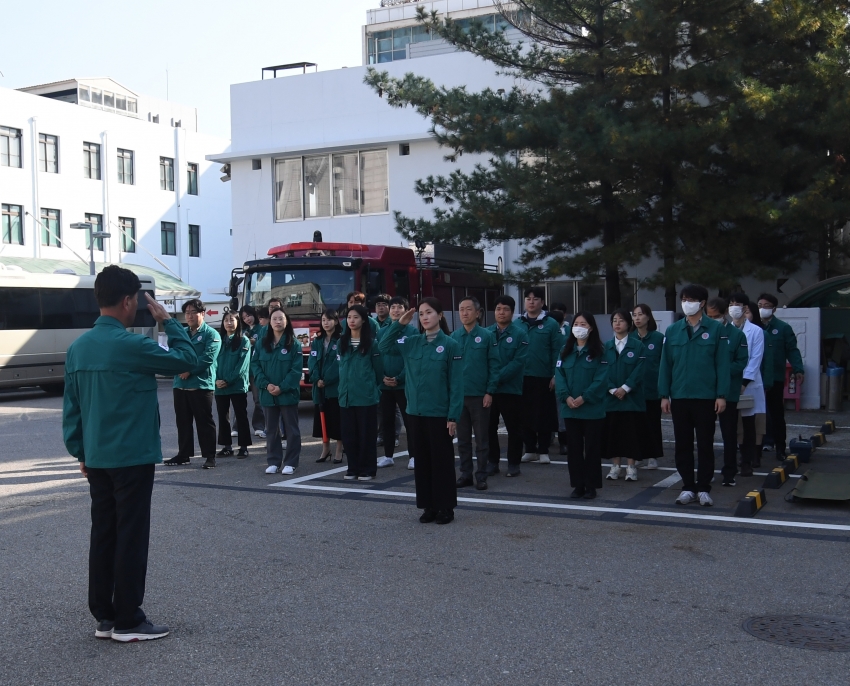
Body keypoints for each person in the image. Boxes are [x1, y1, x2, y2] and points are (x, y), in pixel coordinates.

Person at [63, 265, 198, 642]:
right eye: (136, 299)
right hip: (132, 456)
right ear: (127, 301)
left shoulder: (78, 348)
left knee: (103, 533)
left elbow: (71, 410)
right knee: (131, 535)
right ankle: (128, 619)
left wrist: (81, 452)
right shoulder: (133, 346)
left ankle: (104, 615)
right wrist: (170, 322)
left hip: (97, 457)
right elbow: (188, 362)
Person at [381, 297, 463, 525]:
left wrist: (453, 416)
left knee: (442, 462)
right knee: (423, 462)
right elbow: (384, 346)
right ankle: (428, 506)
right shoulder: (413, 342)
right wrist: (400, 323)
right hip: (415, 412)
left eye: (430, 312)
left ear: (440, 315)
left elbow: (456, 384)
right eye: (422, 314)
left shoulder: (450, 345)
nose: (425, 317)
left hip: (439, 413)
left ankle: (445, 507)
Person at [658, 285, 730, 507]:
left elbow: (722, 364)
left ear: (701, 303)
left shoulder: (715, 330)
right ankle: (688, 486)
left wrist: (721, 395)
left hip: (706, 396)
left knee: (706, 444)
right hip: (680, 396)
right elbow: (666, 365)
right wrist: (664, 394)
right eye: (683, 299)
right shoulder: (673, 331)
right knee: (683, 444)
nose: (686, 302)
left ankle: (704, 487)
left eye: (690, 299)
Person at [556, 312, 608, 499]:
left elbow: (601, 379)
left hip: (592, 409)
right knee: (574, 449)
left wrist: (585, 397)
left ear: (591, 328)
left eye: (583, 324)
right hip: (570, 409)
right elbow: (559, 375)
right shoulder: (565, 349)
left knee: (592, 449)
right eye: (576, 323)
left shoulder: (600, 351)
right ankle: (578, 485)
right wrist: (566, 397)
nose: (579, 327)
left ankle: (591, 485)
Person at [165, 299, 221, 469]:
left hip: (200, 384)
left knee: (204, 422)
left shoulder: (211, 334)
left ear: (202, 313)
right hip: (180, 385)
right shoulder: (182, 333)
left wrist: (189, 370)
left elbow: (208, 357)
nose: (189, 316)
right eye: (186, 312)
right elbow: (173, 351)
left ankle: (210, 456)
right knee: (182, 421)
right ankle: (184, 454)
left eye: (192, 312)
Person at [451, 296, 500, 490]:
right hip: (459, 397)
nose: (464, 313)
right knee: (462, 439)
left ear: (477, 313)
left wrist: (490, 391)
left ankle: (481, 475)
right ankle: (465, 474)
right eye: (461, 309)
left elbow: (494, 365)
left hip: (480, 396)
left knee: (481, 439)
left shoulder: (487, 336)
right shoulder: (454, 337)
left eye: (468, 309)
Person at [251, 308, 302, 475]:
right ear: (270, 322)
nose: (278, 322)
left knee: (291, 430)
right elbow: (255, 366)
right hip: (268, 394)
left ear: (286, 321)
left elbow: (296, 371)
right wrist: (266, 385)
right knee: (271, 430)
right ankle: (273, 461)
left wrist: (282, 387)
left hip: (287, 394)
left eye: (281, 318)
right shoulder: (261, 343)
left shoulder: (294, 344)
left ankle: (291, 462)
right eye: (275, 319)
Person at [705, 298, 750, 486]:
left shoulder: (736, 335)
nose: (712, 319)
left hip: (728, 391)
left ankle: (729, 472)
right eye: (709, 316)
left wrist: (721, 369)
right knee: (705, 434)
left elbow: (741, 362)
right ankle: (706, 471)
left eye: (716, 316)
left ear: (724, 314)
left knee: (729, 433)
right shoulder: (703, 332)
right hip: (705, 391)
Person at [337, 304, 382, 481]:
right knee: (349, 435)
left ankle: (367, 469)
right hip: (346, 397)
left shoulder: (372, 344)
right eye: (349, 317)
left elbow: (378, 372)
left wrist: (372, 389)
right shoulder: (341, 343)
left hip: (366, 397)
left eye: (356, 317)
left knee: (366, 435)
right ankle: (352, 468)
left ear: (364, 320)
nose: (352, 321)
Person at [486, 295, 529, 478]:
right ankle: (492, 462)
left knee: (514, 428)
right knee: (489, 427)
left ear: (512, 312)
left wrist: (495, 378)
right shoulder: (486, 333)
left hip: (510, 389)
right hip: (489, 391)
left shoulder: (520, 334)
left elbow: (517, 363)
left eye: (505, 309)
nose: (501, 312)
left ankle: (513, 463)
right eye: (498, 309)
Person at [757, 293, 804, 459]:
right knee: (755, 414)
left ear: (774, 309)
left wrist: (798, 369)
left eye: (767, 305)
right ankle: (756, 448)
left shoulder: (783, 328)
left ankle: (780, 447)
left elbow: (792, 349)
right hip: (755, 378)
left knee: (776, 413)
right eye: (760, 304)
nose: (762, 308)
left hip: (775, 377)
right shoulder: (754, 327)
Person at [518, 287, 562, 464]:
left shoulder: (551, 324)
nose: (531, 301)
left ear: (542, 302)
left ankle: (543, 450)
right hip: (522, 377)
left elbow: (558, 351)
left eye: (535, 299)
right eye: (528, 298)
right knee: (524, 415)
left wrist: (555, 375)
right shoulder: (518, 324)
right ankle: (530, 449)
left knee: (544, 415)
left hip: (544, 376)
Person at [603, 309, 647, 483]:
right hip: (611, 399)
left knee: (631, 434)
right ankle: (615, 466)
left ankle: (631, 466)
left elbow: (640, 369)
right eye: (614, 320)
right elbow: (601, 370)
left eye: (621, 320)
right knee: (613, 432)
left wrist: (625, 388)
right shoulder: (605, 346)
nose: (617, 323)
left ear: (628, 324)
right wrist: (612, 389)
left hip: (631, 399)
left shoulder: (638, 346)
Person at [377, 296, 417, 469]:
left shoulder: (412, 332)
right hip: (385, 384)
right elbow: (378, 357)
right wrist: (383, 377)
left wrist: (399, 377)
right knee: (386, 421)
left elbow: (411, 359)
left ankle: (413, 456)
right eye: (392, 307)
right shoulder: (381, 331)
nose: (395, 310)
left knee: (409, 421)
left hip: (403, 384)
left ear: (406, 311)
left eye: (399, 307)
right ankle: (388, 456)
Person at [728, 293, 765, 480]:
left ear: (745, 308)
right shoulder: (723, 330)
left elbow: (755, 359)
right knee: (730, 423)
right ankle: (731, 460)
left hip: (748, 384)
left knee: (748, 424)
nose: (734, 307)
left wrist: (743, 383)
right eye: (731, 303)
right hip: (727, 382)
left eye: (738, 304)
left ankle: (747, 461)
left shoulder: (756, 331)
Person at [214, 311, 253, 459]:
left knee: (241, 415)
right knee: (223, 416)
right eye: (226, 320)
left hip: (236, 385)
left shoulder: (243, 341)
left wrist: (228, 380)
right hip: (219, 386)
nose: (229, 323)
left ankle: (243, 447)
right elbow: (213, 362)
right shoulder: (218, 340)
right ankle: (226, 446)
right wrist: (217, 380)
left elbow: (242, 365)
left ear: (238, 322)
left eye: (232, 320)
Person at [631, 304, 665, 470]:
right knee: (636, 425)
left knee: (653, 423)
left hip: (653, 389)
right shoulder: (630, 338)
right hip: (634, 390)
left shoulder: (658, 338)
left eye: (640, 315)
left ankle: (653, 456)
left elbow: (664, 363)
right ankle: (638, 456)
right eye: (634, 315)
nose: (637, 318)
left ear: (648, 317)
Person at [309, 309, 343, 464]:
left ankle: (339, 449)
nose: (326, 323)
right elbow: (312, 361)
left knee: (337, 419)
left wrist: (327, 379)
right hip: (319, 386)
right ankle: (325, 448)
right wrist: (316, 378)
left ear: (336, 321)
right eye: (323, 320)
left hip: (334, 387)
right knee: (322, 419)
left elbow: (339, 364)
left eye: (329, 319)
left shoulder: (341, 340)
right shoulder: (317, 340)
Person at [240, 305, 266, 437]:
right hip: (242, 369)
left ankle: (259, 426)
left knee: (258, 399)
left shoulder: (261, 329)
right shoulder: (242, 330)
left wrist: (254, 342)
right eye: (244, 317)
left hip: (255, 369)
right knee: (239, 399)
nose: (247, 319)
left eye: (248, 316)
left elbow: (264, 344)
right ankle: (237, 426)